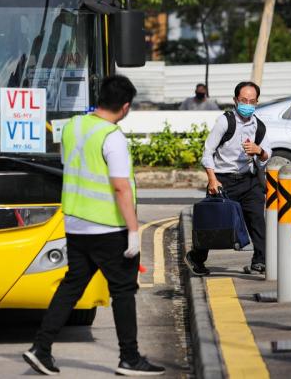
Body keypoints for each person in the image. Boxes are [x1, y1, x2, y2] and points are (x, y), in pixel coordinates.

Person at [23, 75, 165, 376]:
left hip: (75, 223)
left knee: (71, 286)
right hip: (107, 227)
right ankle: (130, 358)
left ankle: (41, 348)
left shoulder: (73, 126)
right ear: (125, 107)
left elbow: (70, 165)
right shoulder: (111, 136)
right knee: (124, 291)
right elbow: (120, 187)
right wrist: (133, 230)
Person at [184, 81, 271, 276]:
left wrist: (260, 151)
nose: (247, 104)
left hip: (248, 180)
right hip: (223, 180)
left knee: (257, 219)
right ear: (235, 100)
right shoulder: (225, 121)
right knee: (214, 224)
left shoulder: (259, 126)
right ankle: (196, 257)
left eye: (252, 101)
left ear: (257, 102)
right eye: (243, 100)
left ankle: (260, 260)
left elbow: (267, 155)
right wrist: (213, 180)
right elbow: (207, 153)